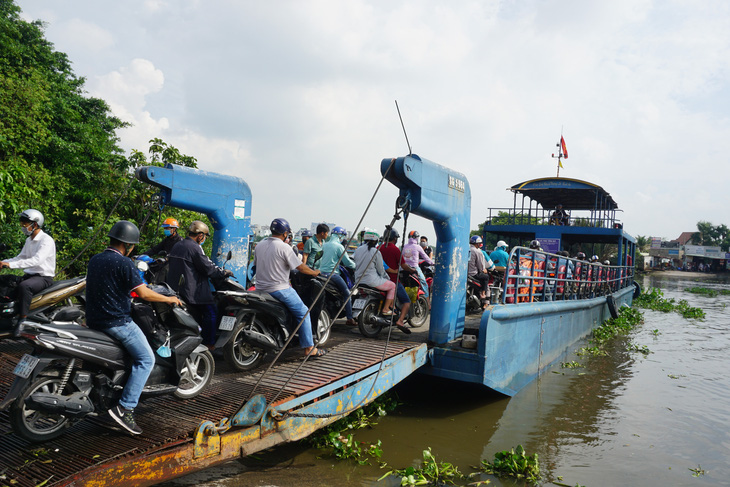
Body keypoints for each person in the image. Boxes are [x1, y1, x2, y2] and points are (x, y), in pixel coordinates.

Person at [85, 220, 182, 435]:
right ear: (129, 246)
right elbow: (144, 293)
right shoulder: (124, 263)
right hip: (117, 322)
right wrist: (170, 300)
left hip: (93, 320)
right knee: (146, 359)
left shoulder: (95, 259)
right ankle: (125, 408)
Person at [254, 218, 325, 356]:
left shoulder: (260, 245)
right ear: (285, 233)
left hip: (259, 289)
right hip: (279, 289)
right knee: (304, 312)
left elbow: (256, 264)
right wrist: (314, 272)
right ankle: (309, 348)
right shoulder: (284, 247)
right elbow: (301, 267)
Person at [166, 221, 231, 348]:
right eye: (205, 236)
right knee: (211, 312)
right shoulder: (195, 248)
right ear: (200, 235)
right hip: (192, 292)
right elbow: (208, 268)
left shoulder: (178, 245)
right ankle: (209, 343)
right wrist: (223, 273)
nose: (204, 239)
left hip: (176, 289)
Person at [0, 209, 56, 336]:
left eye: (24, 224)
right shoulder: (29, 240)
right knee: (6, 282)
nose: (23, 227)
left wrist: (10, 265)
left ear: (34, 224)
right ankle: (8, 318)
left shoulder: (46, 240)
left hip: (43, 278)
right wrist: (3, 262)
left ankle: (22, 320)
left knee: (24, 286)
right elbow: (21, 257)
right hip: (30, 275)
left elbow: (36, 261)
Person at [353, 232, 409, 333]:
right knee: (392, 286)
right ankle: (386, 308)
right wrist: (387, 278)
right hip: (372, 280)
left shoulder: (358, 249)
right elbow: (381, 269)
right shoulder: (376, 251)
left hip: (358, 279)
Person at [318, 226, 357, 325]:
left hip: (321, 273)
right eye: (342, 236)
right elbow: (347, 262)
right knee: (347, 293)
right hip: (333, 274)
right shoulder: (339, 246)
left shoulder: (325, 245)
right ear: (340, 235)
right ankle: (349, 318)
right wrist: (356, 266)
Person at [379, 227, 411, 328]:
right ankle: (400, 321)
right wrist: (412, 270)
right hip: (393, 280)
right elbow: (404, 266)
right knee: (407, 301)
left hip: (379, 279)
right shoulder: (396, 250)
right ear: (395, 238)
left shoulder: (378, 248)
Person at [402, 230, 433, 298]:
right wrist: (432, 263)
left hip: (404, 268)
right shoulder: (417, 247)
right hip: (415, 268)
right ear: (416, 238)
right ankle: (427, 302)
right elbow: (426, 258)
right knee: (424, 283)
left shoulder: (404, 246)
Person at [468, 236, 494, 306]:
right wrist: (483, 270)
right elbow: (481, 265)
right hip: (474, 273)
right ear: (477, 244)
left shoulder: (467, 249)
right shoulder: (478, 251)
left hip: (467, 273)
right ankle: (483, 293)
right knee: (486, 277)